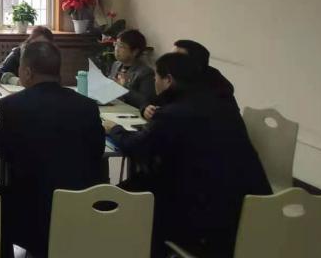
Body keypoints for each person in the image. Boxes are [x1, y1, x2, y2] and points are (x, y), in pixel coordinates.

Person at [105, 53, 271, 257]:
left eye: (156, 77)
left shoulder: (173, 113)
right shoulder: (222, 106)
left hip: (208, 218)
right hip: (254, 207)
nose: (154, 82)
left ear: (168, 80)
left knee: (131, 197)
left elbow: (138, 146)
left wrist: (114, 129)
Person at [0, 41, 105, 257]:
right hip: (79, 207)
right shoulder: (87, 106)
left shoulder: (12, 105)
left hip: (29, 213)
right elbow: (97, 151)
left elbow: (3, 151)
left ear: (27, 72)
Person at [144, 39, 236, 120]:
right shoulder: (178, 79)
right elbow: (155, 99)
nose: (169, 61)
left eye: (177, 58)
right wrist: (146, 109)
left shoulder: (213, 91)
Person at [108, 29, 155, 111]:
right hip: (113, 108)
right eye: (116, 44)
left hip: (132, 114)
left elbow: (145, 101)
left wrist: (123, 88)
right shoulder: (116, 65)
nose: (116, 49)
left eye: (121, 46)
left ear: (135, 52)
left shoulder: (145, 72)